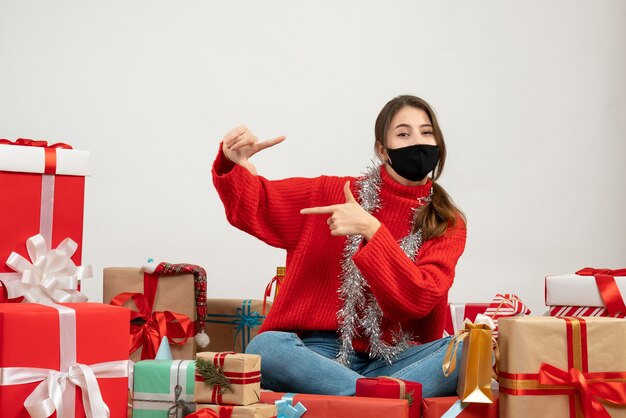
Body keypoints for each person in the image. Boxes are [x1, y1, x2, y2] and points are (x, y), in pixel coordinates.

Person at [212, 95, 467, 398]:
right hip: (319, 355)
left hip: (395, 360)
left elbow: (416, 300)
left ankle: (363, 399)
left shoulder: (446, 222)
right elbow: (256, 204)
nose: (418, 142)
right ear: (382, 150)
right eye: (403, 133)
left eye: (426, 132)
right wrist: (231, 162)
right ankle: (379, 401)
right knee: (265, 349)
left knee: (470, 349)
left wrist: (372, 230)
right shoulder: (334, 193)